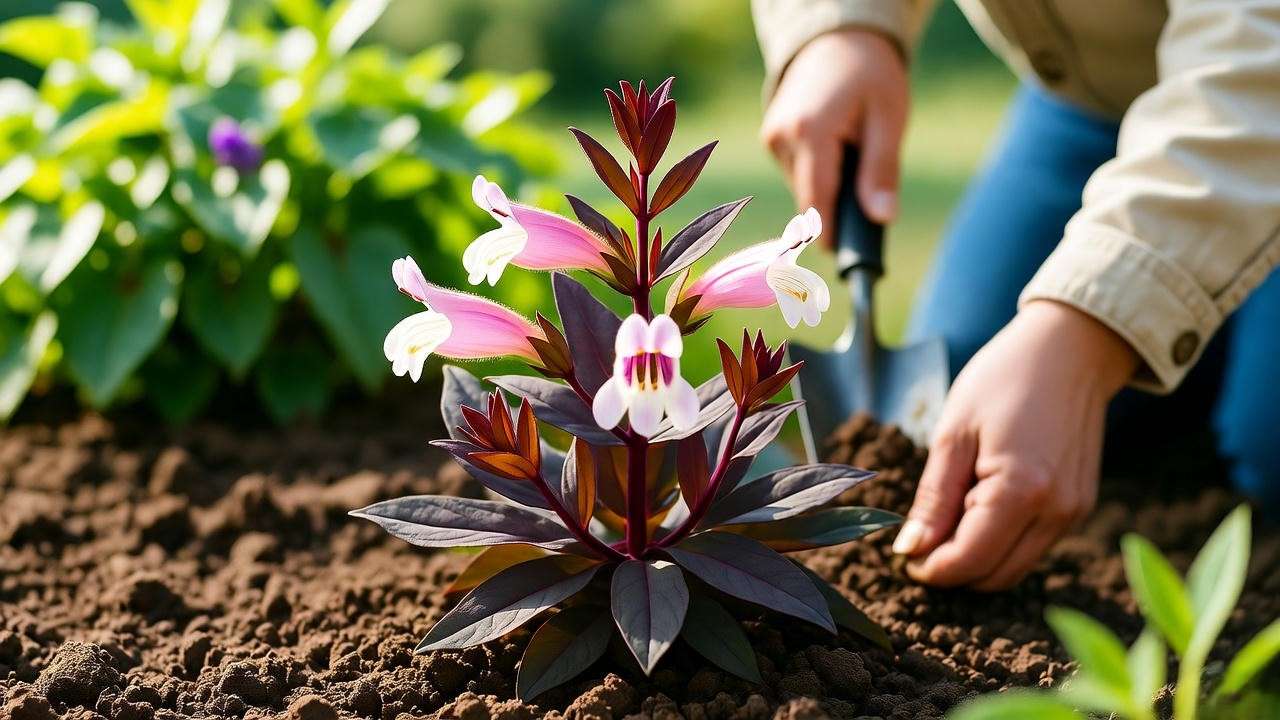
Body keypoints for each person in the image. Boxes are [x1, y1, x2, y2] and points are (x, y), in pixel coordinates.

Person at [752, 0, 1280, 590]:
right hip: (1095, 103)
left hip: (1255, 78)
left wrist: (1093, 327)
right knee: (967, 403)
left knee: (1269, 452)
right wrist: (838, 27)